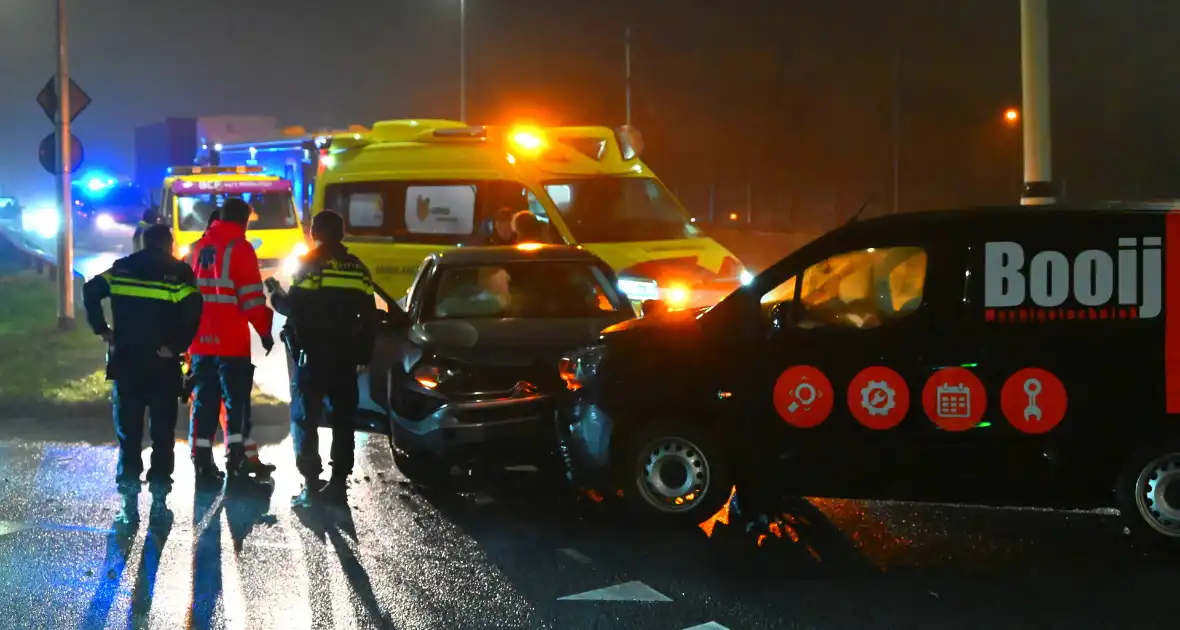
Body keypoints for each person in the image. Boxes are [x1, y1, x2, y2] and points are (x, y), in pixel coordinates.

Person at [83, 224, 203, 527]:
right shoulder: (178, 272)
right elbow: (195, 306)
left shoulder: (122, 268)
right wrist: (176, 345)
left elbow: (90, 289)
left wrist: (102, 330)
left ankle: (128, 503)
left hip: (127, 364)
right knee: (163, 434)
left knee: (129, 435)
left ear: (142, 242)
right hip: (162, 365)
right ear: (168, 245)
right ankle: (160, 501)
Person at [269, 210, 376, 508]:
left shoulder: (309, 264)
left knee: (305, 418)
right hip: (345, 356)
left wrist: (276, 296)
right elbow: (369, 317)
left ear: (315, 232)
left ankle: (311, 483)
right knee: (344, 419)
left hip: (312, 354)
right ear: (341, 233)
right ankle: (338, 481)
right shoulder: (358, 269)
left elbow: (297, 308)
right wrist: (364, 353)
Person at [182, 207, 275, 477]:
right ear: (243, 221)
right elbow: (251, 298)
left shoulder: (195, 248)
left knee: (204, 402)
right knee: (235, 403)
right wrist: (264, 331)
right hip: (231, 340)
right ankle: (236, 460)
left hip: (200, 341)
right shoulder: (241, 248)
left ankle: (202, 461)